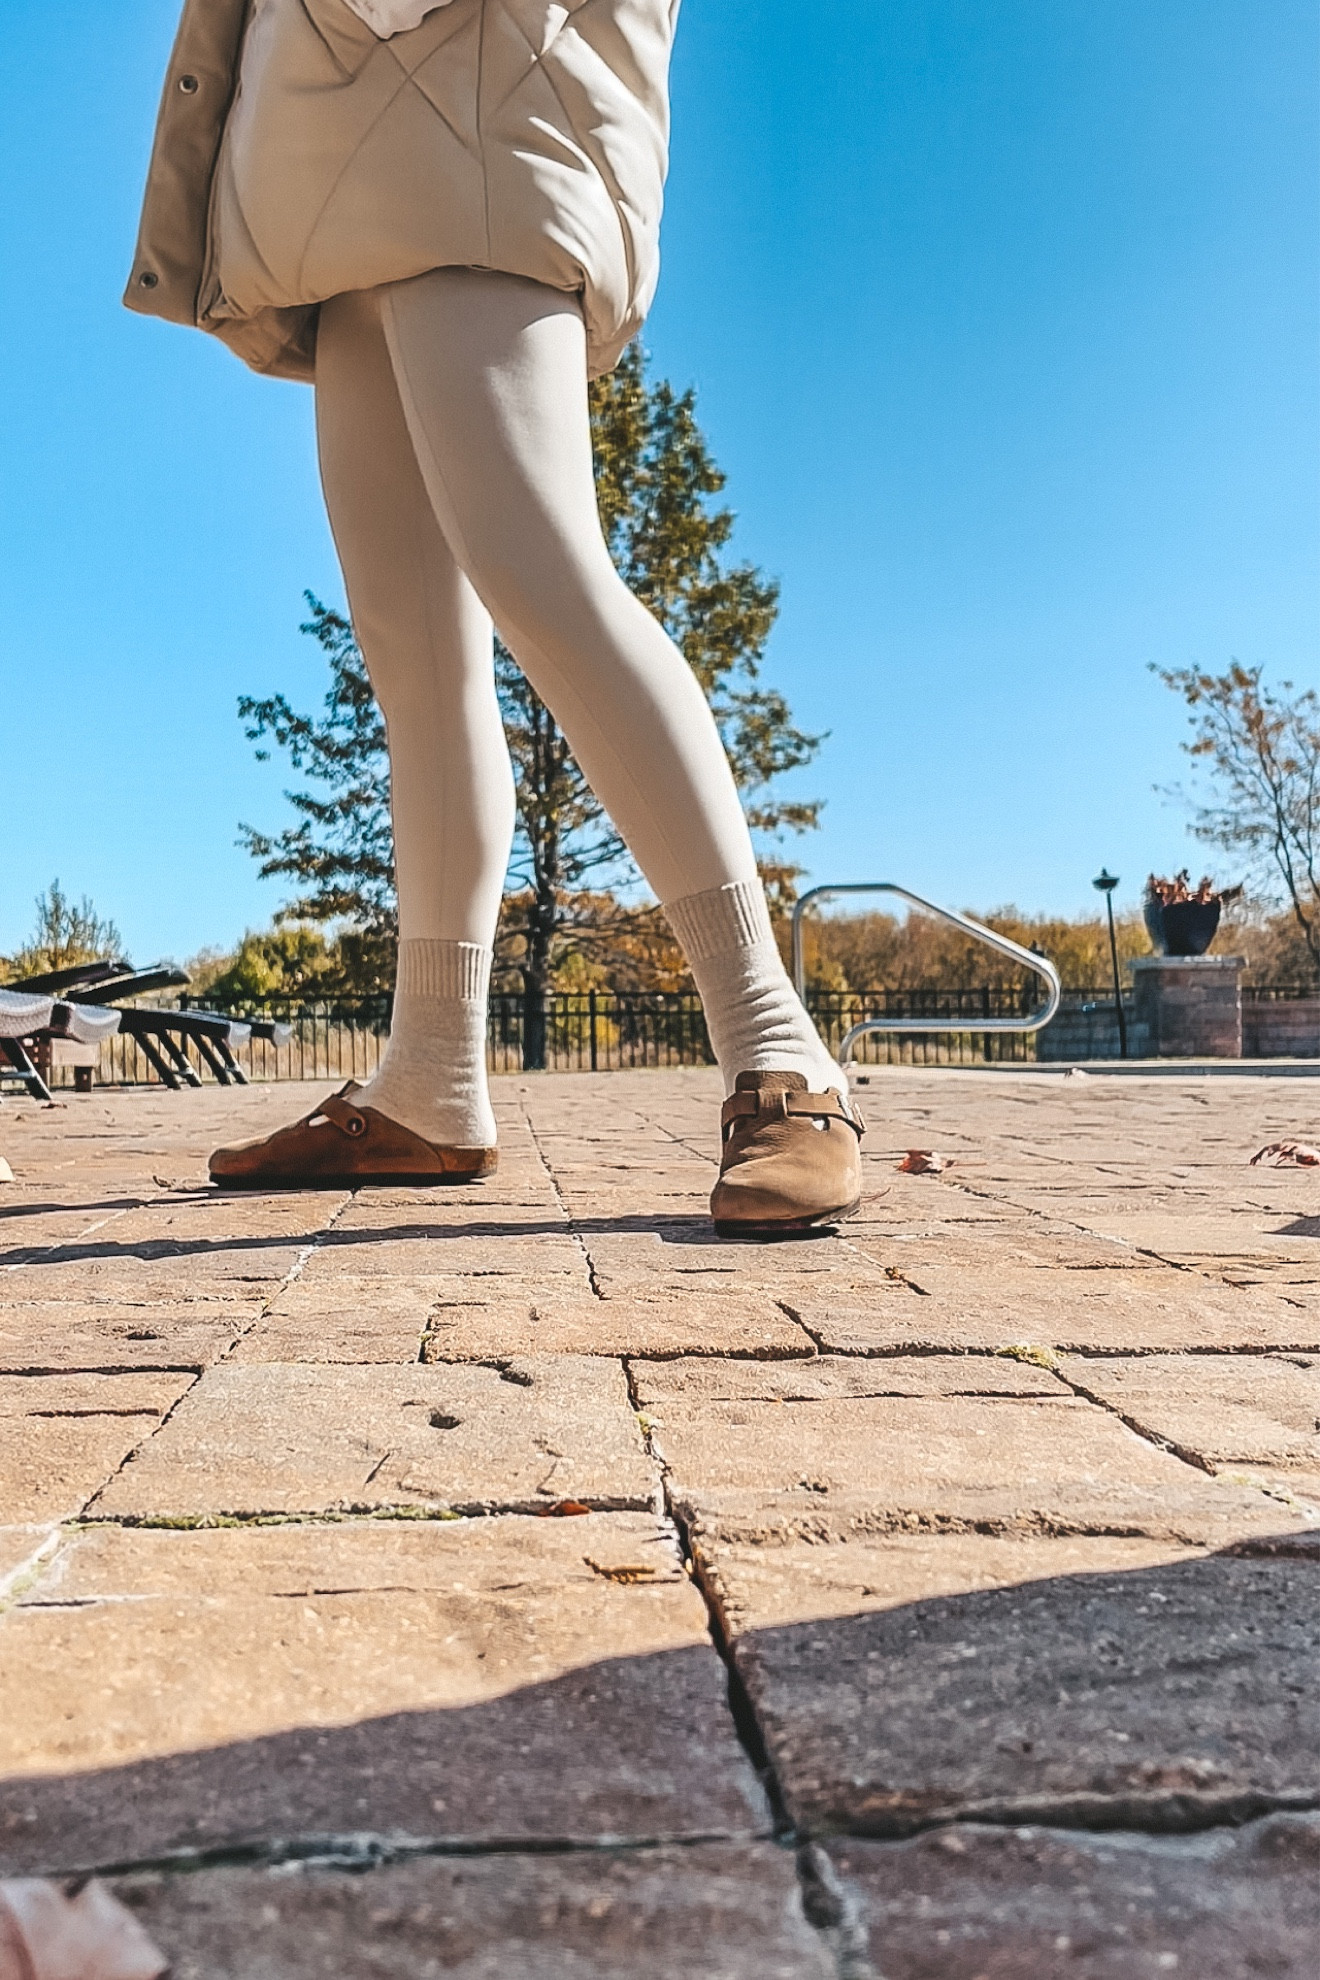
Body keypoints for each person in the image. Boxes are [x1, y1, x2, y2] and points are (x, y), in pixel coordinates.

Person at [126, 0, 863, 1233]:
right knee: (416, 670)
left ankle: (783, 1054)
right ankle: (430, 1079)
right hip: (349, 155)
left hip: (478, 112)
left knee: (545, 576)